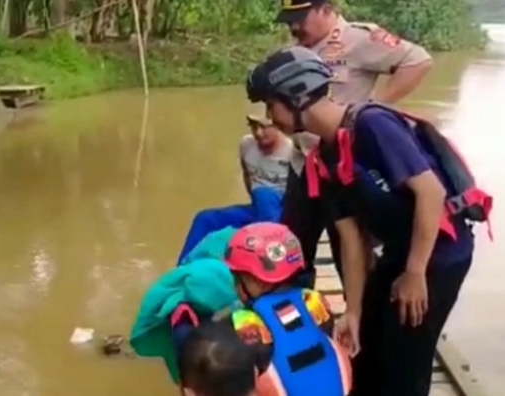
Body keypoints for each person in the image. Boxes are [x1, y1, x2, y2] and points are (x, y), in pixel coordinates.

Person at [246, 46, 483, 396]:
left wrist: (416, 274)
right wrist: (353, 312)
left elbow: (430, 194)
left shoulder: (373, 124)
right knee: (366, 345)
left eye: (271, 105)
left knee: (406, 359)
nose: (270, 116)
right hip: (400, 249)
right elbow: (352, 239)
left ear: (295, 97)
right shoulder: (324, 158)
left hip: (441, 250)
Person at [271, 0, 434, 286]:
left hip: (343, 168)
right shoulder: (297, 51)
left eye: (300, 18)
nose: (294, 26)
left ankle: (360, 317)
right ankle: (295, 316)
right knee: (291, 249)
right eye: (289, 20)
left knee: (351, 248)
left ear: (326, 9)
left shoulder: (359, 39)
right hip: (305, 165)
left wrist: (372, 109)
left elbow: (418, 60)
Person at [173, 223, 352, 396]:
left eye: (237, 278)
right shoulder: (314, 300)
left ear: (258, 282)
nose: (235, 286)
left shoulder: (243, 323)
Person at [177, 115, 293, 264]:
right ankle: (184, 268)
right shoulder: (246, 144)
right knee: (205, 218)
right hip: (258, 209)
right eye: (253, 127)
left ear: (277, 126)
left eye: (264, 127)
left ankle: (260, 258)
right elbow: (247, 176)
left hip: (282, 210)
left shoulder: (291, 150)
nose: (258, 133)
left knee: (264, 194)